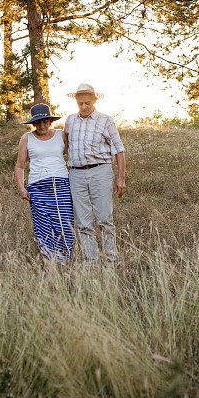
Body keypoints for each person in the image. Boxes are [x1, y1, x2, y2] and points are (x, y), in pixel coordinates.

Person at [63, 83, 126, 266]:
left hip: (100, 171)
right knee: (83, 221)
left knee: (105, 219)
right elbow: (66, 147)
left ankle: (111, 261)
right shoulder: (70, 121)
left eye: (87, 103)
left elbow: (119, 150)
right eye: (80, 103)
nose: (84, 106)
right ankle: (90, 262)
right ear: (76, 102)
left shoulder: (105, 120)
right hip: (76, 174)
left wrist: (120, 179)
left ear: (94, 101)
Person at [15, 103, 75, 263]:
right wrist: (21, 187)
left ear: (50, 121)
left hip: (62, 186)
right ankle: (50, 262)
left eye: (45, 121)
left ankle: (64, 260)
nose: (42, 125)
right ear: (33, 124)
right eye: (38, 122)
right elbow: (20, 165)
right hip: (37, 187)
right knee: (43, 226)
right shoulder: (27, 138)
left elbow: (70, 154)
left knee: (65, 224)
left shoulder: (61, 135)